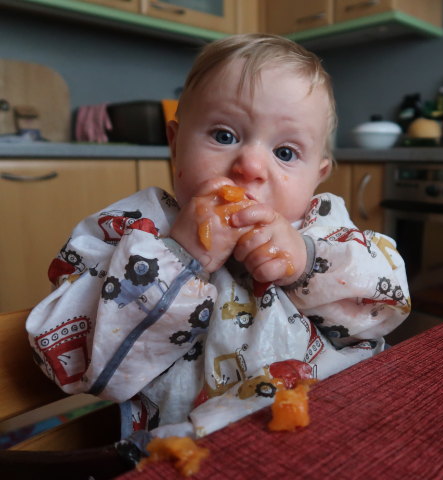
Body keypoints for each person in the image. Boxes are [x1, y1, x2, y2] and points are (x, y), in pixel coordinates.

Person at [26, 33, 410, 440]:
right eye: (225, 136)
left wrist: (306, 262)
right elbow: (78, 358)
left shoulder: (324, 227)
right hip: (188, 447)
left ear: (317, 176)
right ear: (175, 145)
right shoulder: (131, 229)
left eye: (285, 152)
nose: (250, 166)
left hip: (334, 426)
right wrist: (178, 256)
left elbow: (386, 307)